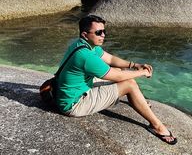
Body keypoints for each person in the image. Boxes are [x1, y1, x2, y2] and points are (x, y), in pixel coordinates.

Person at [55, 15, 177, 145]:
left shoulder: (83, 44)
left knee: (120, 71)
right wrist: (142, 72)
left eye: (104, 31)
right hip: (74, 104)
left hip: (72, 91)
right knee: (129, 84)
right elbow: (117, 77)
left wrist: (134, 65)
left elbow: (111, 59)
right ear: (85, 34)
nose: (103, 35)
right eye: (98, 32)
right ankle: (157, 126)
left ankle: (137, 101)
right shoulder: (85, 56)